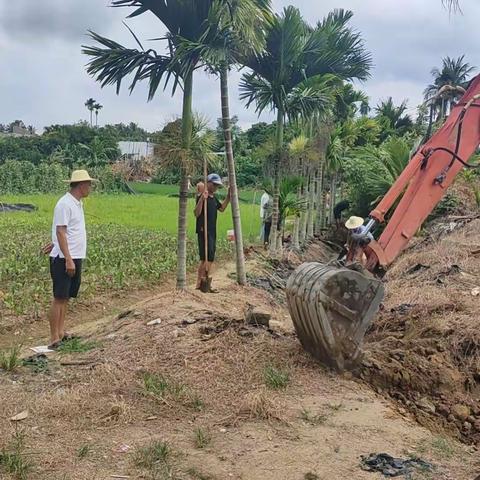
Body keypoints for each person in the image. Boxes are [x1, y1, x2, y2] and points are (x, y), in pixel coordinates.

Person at [47, 169, 96, 349]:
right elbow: (60, 231)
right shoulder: (64, 204)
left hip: (75, 255)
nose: (90, 188)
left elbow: (64, 231)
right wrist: (68, 258)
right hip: (64, 258)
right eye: (89, 184)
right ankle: (54, 337)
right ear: (81, 185)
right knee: (59, 297)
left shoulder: (77, 203)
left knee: (66, 297)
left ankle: (61, 332)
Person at [194, 173, 230, 292]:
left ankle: (201, 283)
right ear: (208, 183)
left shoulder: (213, 198)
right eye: (214, 185)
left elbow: (222, 209)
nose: (215, 188)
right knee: (207, 257)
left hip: (212, 231)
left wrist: (229, 196)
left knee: (207, 257)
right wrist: (202, 199)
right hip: (203, 230)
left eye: (217, 186)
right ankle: (201, 281)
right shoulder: (202, 197)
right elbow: (196, 213)